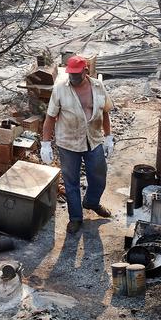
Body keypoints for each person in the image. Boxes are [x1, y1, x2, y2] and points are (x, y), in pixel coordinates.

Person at [40, 55, 115, 234]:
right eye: (70, 74)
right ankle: (75, 218)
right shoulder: (60, 90)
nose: (73, 78)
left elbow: (105, 113)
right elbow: (50, 118)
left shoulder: (98, 86)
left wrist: (109, 137)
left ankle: (91, 202)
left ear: (86, 71)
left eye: (76, 74)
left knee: (98, 176)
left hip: (94, 139)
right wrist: (45, 143)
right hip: (68, 142)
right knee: (71, 182)